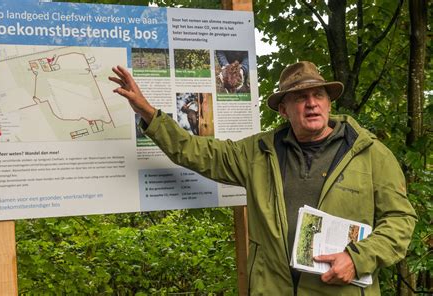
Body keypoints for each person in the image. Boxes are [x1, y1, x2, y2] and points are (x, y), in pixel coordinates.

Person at [108, 61, 416, 295]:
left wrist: (358, 258)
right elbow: (195, 151)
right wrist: (148, 113)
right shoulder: (259, 153)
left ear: (328, 102)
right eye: (300, 97)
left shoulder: (369, 152)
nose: (311, 103)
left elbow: (400, 220)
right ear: (283, 108)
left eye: (318, 94)